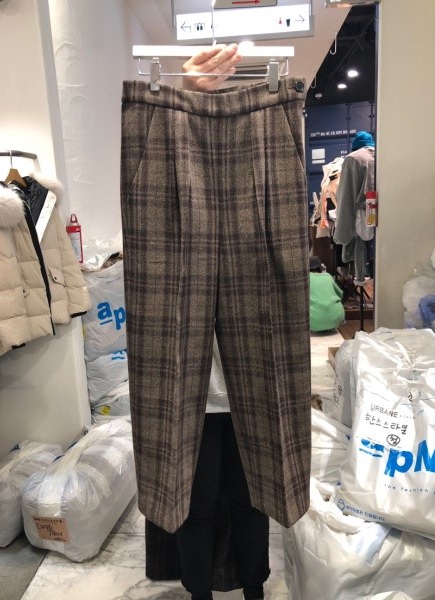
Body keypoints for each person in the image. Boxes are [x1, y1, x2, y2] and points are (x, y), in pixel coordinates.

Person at [174, 44, 270, 600]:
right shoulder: (176, 223)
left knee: (251, 499)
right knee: (196, 504)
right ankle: (200, 593)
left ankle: (255, 588)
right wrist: (187, 95)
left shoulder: (259, 215)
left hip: (247, 389)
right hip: (194, 395)